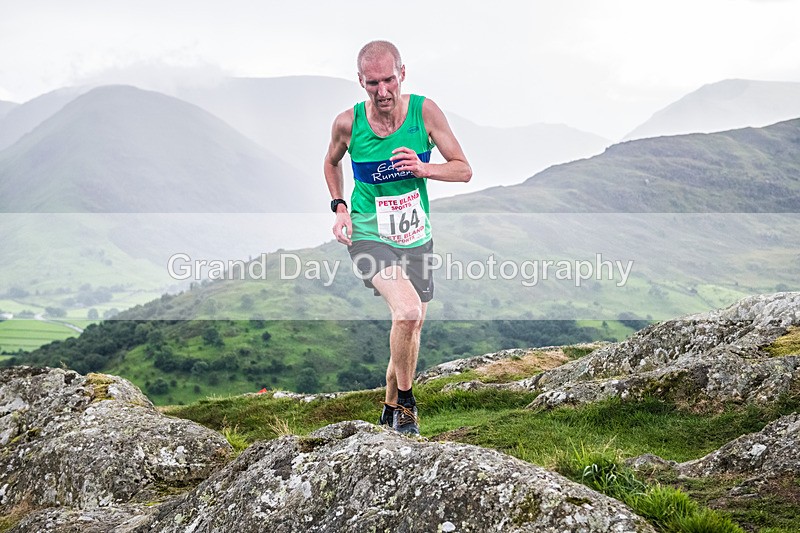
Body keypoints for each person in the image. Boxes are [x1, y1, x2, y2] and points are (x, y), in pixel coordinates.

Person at [324, 40, 471, 436]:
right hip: (369, 234)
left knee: (412, 323)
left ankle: (388, 409)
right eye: (373, 83)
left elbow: (463, 169)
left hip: (415, 235)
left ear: (402, 74)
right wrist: (339, 206)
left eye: (389, 80)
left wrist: (423, 168)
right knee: (406, 311)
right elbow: (331, 162)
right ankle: (407, 406)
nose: (383, 91)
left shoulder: (424, 112)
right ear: (360, 81)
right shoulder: (348, 124)